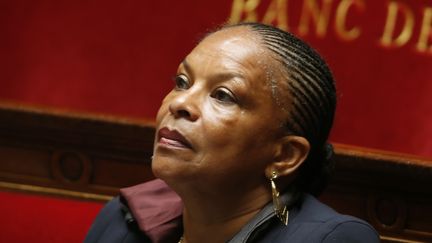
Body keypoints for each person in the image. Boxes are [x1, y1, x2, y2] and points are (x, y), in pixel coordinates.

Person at [85, 22, 379, 243]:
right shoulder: (124, 218)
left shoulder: (331, 240)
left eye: (223, 95)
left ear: (285, 155)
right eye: (182, 82)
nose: (180, 103)